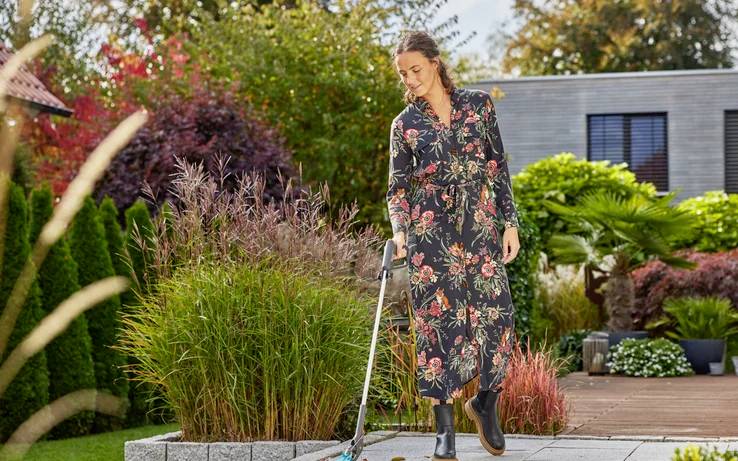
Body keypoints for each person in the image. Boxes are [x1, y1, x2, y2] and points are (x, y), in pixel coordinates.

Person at [386, 30, 521, 460]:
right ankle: (443, 431)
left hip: (479, 228)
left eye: (416, 69)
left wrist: (510, 223)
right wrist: (401, 230)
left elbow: (497, 167)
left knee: (497, 318)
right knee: (437, 326)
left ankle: (485, 403)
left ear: (435, 63)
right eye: (403, 73)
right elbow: (397, 189)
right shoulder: (404, 125)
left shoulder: (478, 106)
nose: (410, 79)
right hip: (431, 236)